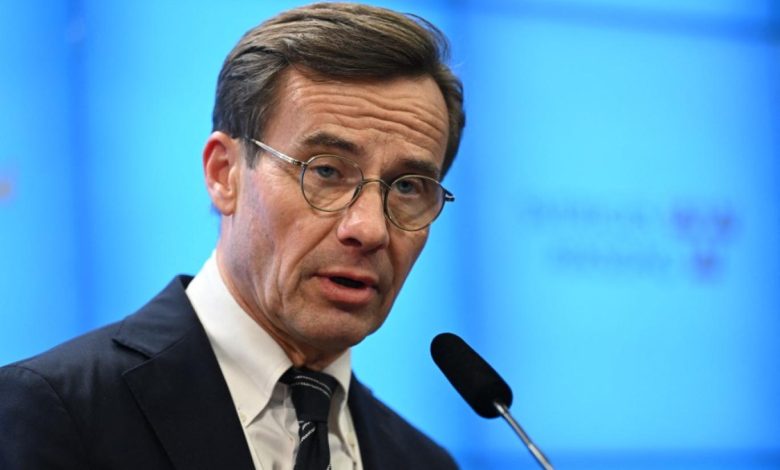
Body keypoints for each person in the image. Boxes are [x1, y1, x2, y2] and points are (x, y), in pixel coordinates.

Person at [0, 3, 465, 469]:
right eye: (326, 171)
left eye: (408, 187)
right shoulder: (54, 409)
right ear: (224, 173)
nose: (369, 229)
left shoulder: (424, 463)